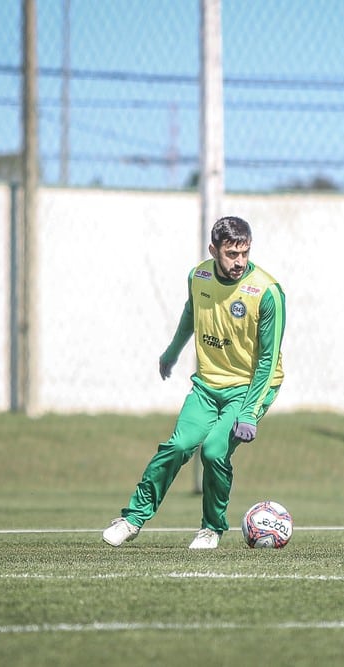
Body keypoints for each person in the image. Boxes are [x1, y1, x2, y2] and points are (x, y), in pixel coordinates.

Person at [103, 216, 286, 550]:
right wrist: (172, 352)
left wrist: (249, 413)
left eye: (244, 253)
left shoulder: (267, 292)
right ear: (213, 250)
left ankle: (211, 529)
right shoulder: (198, 275)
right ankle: (132, 519)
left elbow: (269, 360)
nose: (239, 261)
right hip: (206, 386)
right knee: (178, 446)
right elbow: (192, 312)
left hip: (249, 389)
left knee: (215, 451)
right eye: (232, 253)